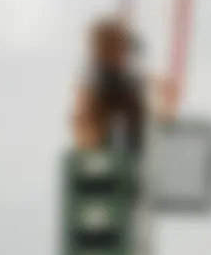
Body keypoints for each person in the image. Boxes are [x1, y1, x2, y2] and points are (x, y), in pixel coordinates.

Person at [70, 17, 177, 154]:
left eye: (122, 47)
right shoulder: (92, 87)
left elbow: (163, 117)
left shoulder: (134, 84)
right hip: (102, 156)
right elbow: (83, 130)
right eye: (115, 47)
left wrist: (167, 102)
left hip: (133, 155)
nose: (122, 54)